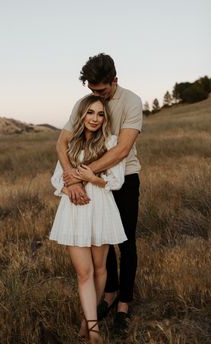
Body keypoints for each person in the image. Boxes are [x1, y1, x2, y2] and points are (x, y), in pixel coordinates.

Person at [56, 53, 143, 335]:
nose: (97, 95)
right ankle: (108, 294)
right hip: (86, 179)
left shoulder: (131, 101)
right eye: (92, 91)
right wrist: (71, 179)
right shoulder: (88, 103)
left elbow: (122, 150)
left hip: (123, 177)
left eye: (101, 90)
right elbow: (63, 141)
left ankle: (123, 305)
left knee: (126, 242)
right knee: (99, 240)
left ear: (114, 81)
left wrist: (83, 174)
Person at [49, 95, 127, 344]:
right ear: (81, 115)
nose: (95, 119)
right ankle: (94, 332)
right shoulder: (70, 144)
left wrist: (93, 179)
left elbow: (117, 181)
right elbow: (56, 179)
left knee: (100, 269)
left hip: (100, 206)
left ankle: (86, 320)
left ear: (105, 118)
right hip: (74, 210)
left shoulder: (111, 141)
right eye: (90, 113)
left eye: (100, 114)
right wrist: (69, 188)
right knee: (84, 273)